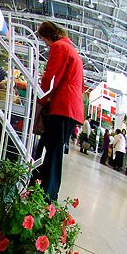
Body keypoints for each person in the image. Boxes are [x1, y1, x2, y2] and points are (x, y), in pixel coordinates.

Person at [33, 21, 84, 202]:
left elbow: (51, 77)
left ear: (47, 36)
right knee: (48, 146)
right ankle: (38, 185)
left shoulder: (59, 47)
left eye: (44, 40)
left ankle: (49, 195)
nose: (46, 45)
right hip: (70, 108)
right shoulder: (70, 48)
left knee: (52, 151)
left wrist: (39, 99)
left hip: (63, 106)